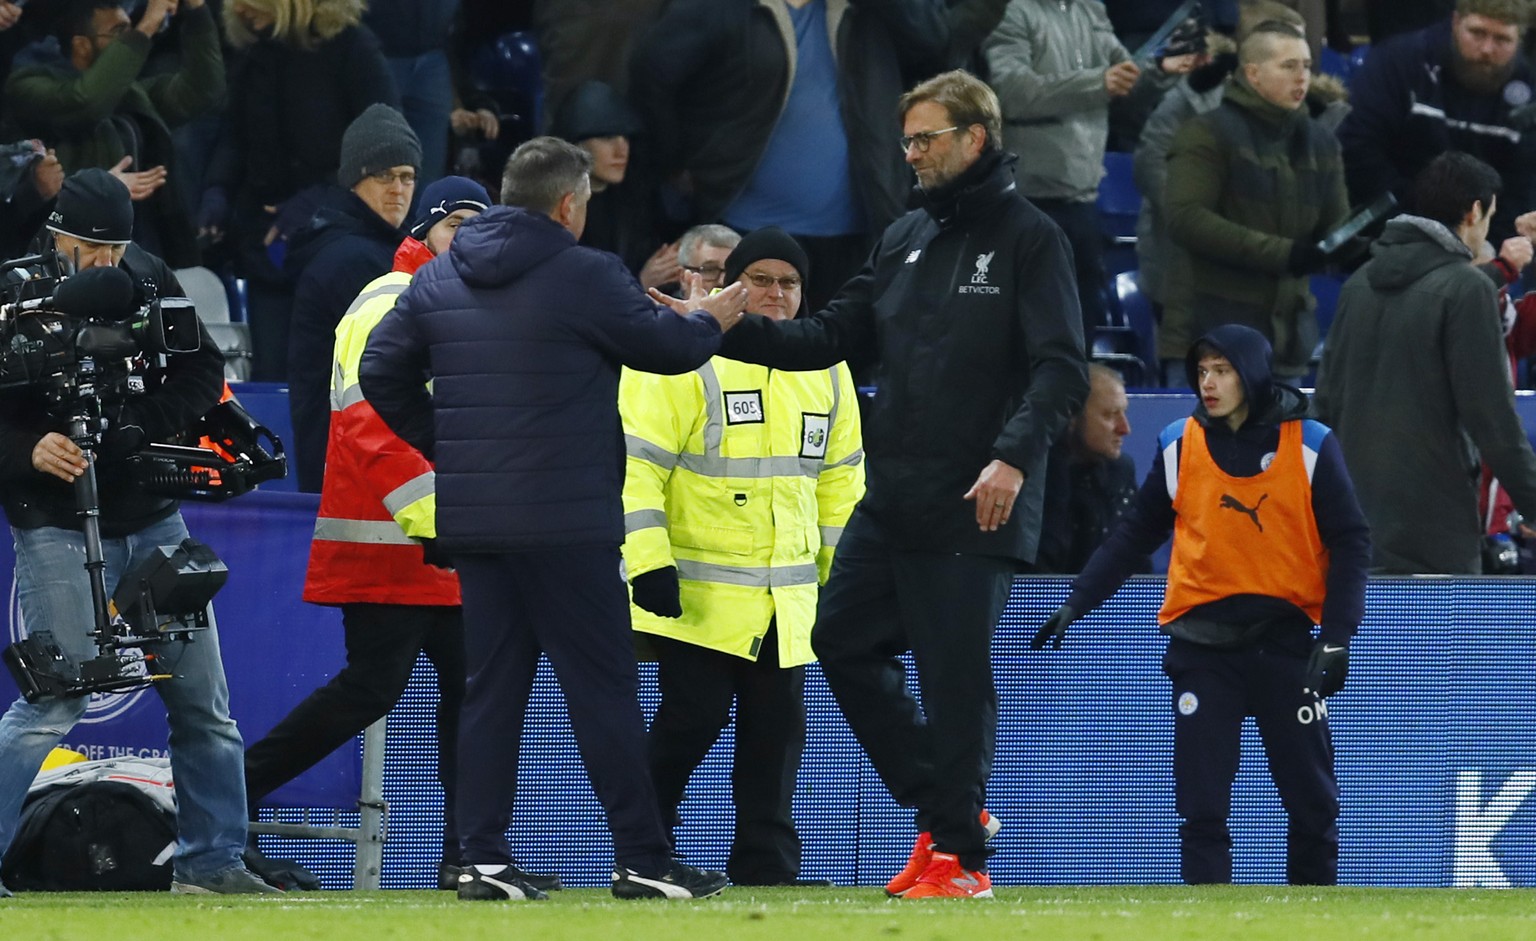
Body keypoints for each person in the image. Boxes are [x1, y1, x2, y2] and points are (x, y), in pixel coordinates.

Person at [703, 70, 1088, 899]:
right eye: (906, 140)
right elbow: (833, 333)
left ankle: (961, 863)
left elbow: (1062, 368)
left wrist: (1013, 456)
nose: (911, 153)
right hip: (898, 493)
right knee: (839, 640)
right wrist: (727, 328)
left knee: (955, 679)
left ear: (974, 137)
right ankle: (952, 814)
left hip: (980, 495)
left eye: (926, 138)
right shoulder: (904, 235)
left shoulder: (1031, 238)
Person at [358, 137, 749, 902]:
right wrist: (712, 320)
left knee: (491, 690)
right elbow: (667, 350)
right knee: (602, 689)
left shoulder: (442, 277)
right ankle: (641, 855)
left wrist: (455, 444)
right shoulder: (585, 273)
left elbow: (380, 370)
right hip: (567, 523)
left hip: (479, 521)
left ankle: (480, 858)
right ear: (570, 204)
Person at [240, 177, 540, 893]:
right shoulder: (387, 299)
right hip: (396, 539)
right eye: (456, 224)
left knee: (465, 694)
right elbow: (366, 422)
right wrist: (440, 515)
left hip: (446, 542)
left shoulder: (463, 302)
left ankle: (470, 855)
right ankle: (226, 799)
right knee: (375, 688)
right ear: (428, 228)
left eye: (481, 225)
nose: (468, 237)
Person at [0, 169, 275, 897]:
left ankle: (212, 861)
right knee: (54, 699)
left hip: (150, 512)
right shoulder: (11, 289)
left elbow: (203, 373)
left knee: (202, 699)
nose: (102, 264)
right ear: (55, 233)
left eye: (114, 248)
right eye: (88, 248)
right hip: (53, 517)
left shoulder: (148, 276)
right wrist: (25, 450)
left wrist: (138, 428)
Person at [1032, 324, 1370, 885]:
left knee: (1312, 802)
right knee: (1202, 805)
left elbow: (1352, 540)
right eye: (1202, 371)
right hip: (1203, 647)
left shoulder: (1310, 445)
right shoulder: (1178, 442)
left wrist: (1336, 636)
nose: (1207, 384)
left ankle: (1316, 918)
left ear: (1253, 373)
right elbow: (1134, 534)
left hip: (1285, 643)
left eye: (1223, 370)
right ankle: (1208, 916)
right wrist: (1078, 600)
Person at [620, 226, 865, 886]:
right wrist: (647, 563)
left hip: (787, 603)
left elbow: (843, 488)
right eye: (761, 279)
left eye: (789, 283)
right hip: (697, 597)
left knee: (777, 736)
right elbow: (636, 468)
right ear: (733, 284)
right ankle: (643, 855)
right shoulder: (684, 354)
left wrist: (841, 590)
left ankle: (768, 868)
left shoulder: (828, 369)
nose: (776, 293)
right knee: (688, 726)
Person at [630, 0, 951, 311]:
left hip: (855, 232)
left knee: (835, 357)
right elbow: (652, 72)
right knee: (743, 355)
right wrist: (676, 163)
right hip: (742, 227)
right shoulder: (724, 9)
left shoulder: (869, 12)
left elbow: (936, 42)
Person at [1315, 151, 1536, 574]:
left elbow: (1325, 401)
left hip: (1351, 509)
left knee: (1365, 637)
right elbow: (1492, 420)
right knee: (1435, 637)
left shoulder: (1360, 282)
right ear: (1474, 212)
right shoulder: (1466, 288)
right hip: (1435, 513)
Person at [199, 0, 399, 382]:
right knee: (273, 372)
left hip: (338, 245)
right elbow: (235, 137)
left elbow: (385, 142)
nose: (238, 9)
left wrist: (318, 200)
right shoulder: (257, 51)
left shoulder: (353, 48)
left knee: (335, 377)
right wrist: (218, 190)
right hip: (268, 246)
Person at [984, 0, 1197, 343]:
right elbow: (1011, 93)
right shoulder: (1014, 12)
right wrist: (1098, 83)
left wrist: (1160, 70)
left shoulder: (1091, 9)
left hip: (1083, 199)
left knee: (1080, 336)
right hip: (1028, 202)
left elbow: (1125, 81)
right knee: (1025, 339)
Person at [1164, 19, 1348, 379]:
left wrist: (1352, 242)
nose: (1302, 77)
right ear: (1253, 73)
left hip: (1286, 344)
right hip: (1211, 338)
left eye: (1307, 66)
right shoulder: (1206, 132)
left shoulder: (1321, 142)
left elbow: (1335, 222)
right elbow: (1185, 218)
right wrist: (1284, 254)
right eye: (1288, 66)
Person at [3, 0, 224, 268]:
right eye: (119, 31)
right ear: (81, 45)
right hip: (67, 258)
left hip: (141, 250)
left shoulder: (129, 93)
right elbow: (86, 102)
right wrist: (146, 26)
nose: (130, 40)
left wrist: (197, 12)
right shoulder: (28, 85)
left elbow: (202, 90)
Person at [286, 104, 421, 493]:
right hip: (355, 461)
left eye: (407, 176)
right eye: (384, 175)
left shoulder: (373, 247)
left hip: (350, 454)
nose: (398, 189)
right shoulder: (353, 258)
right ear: (354, 179)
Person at [1338, 0, 1536, 244]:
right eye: (1477, 33)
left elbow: (1522, 186)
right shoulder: (1399, 62)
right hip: (1389, 232)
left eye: (1502, 40)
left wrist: (1488, 247)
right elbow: (1359, 148)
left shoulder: (1529, 92)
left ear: (1520, 39)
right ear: (1455, 22)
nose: (1486, 49)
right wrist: (1417, 228)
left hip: (1480, 241)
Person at [552, 80, 679, 291]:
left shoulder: (635, 200)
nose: (622, 150)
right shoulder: (554, 211)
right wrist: (640, 284)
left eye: (626, 137)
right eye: (608, 137)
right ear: (576, 143)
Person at [1035, 364, 1145, 574]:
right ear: (1071, 416)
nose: (1125, 428)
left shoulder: (1121, 471)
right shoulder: (1037, 477)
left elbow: (1136, 561)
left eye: (1124, 413)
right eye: (1110, 415)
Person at [674, 224, 741, 295]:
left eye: (732, 270)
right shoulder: (664, 305)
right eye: (710, 270)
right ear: (683, 278)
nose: (722, 281)